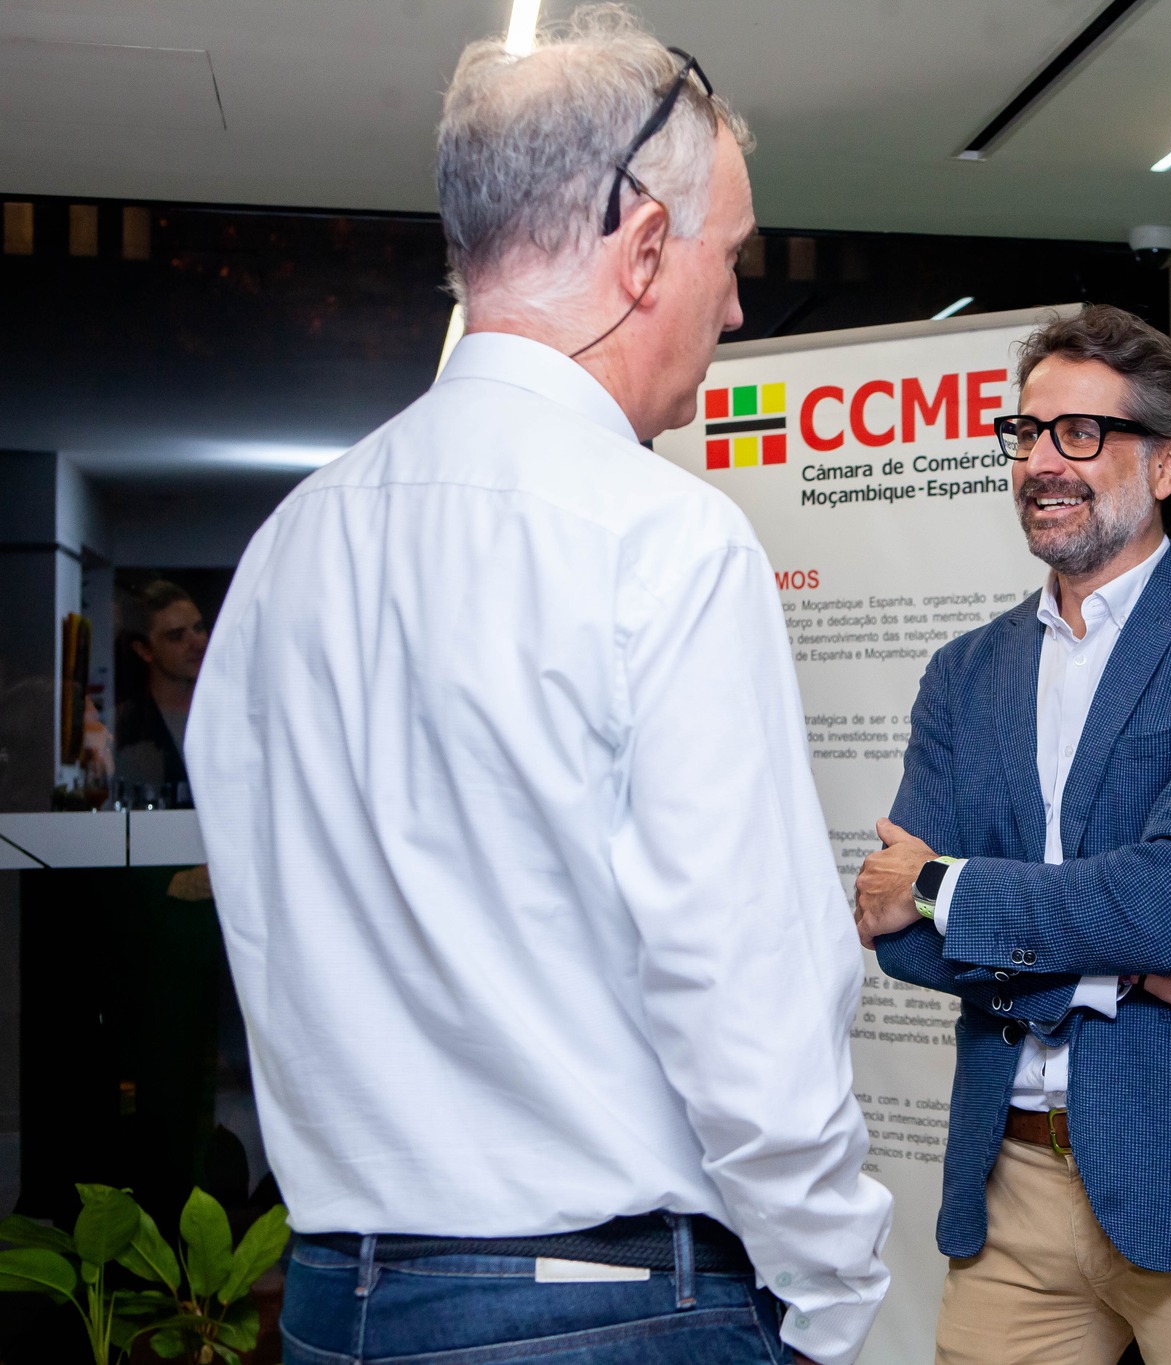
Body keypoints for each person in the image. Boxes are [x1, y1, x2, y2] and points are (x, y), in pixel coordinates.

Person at [186, 11, 890, 1365]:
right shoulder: (666, 540)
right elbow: (744, 995)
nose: (736, 310)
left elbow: (267, 930)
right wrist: (835, 1299)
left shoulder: (286, 548)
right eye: (730, 258)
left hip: (334, 1307)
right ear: (644, 248)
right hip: (604, 1310)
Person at [853, 305, 1171, 1365]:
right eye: (1026, 432)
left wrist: (941, 885)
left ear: (1167, 462)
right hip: (1011, 1185)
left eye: (1079, 433)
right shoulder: (963, 673)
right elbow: (893, 936)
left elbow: (1163, 903)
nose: (1041, 461)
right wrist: (1125, 974)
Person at [116, 578, 208, 804]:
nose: (197, 643)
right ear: (144, 650)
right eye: (176, 636)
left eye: (198, 628)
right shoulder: (124, 726)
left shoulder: (231, 715)